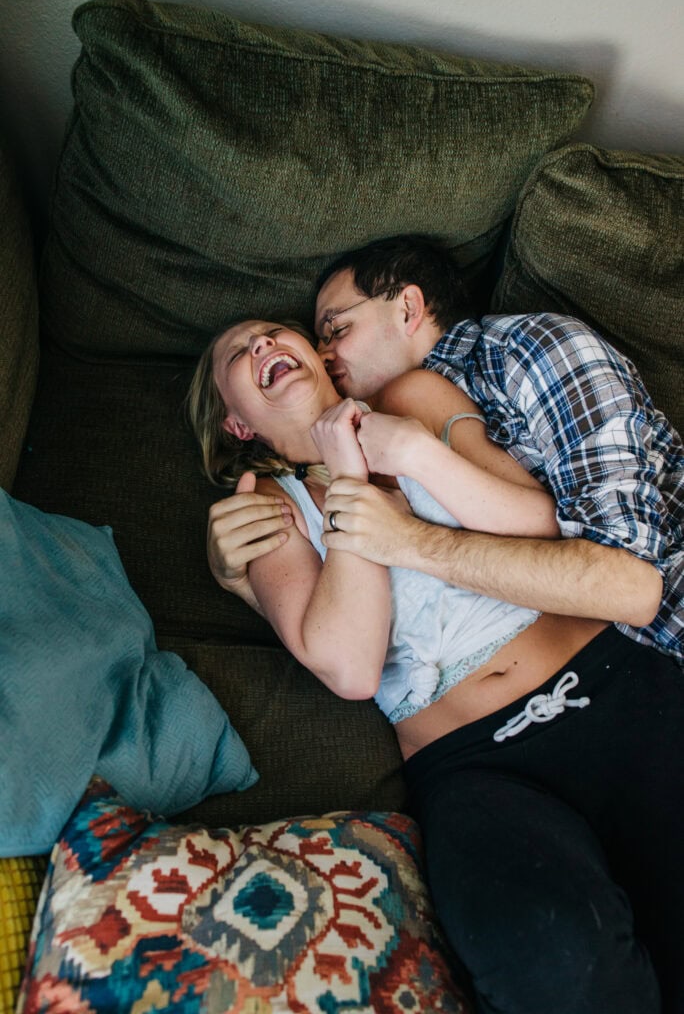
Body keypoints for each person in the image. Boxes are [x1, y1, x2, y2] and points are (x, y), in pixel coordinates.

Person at [188, 317, 683, 1013]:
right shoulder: (269, 510)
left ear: (322, 358)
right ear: (237, 424)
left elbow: (541, 523)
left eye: (274, 332)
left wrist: (409, 456)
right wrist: (346, 475)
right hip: (474, 768)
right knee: (554, 961)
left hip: (612, 689)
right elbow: (352, 667)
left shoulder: (414, 400)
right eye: (238, 353)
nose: (263, 346)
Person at [206, 235, 683, 664]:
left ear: (408, 309)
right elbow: (344, 651)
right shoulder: (365, 435)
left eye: (337, 329)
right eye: (319, 340)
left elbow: (627, 582)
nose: (324, 353)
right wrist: (249, 590)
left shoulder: (533, 350)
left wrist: (407, 533)